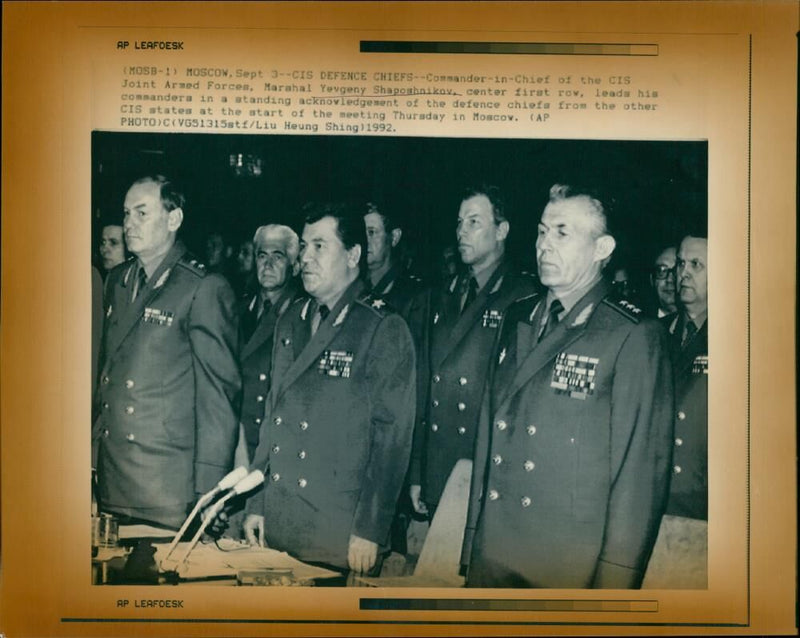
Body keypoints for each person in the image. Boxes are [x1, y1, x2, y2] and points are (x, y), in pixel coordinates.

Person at [463, 183, 674, 589]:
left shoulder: (631, 334)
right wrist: (473, 540)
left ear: (601, 249)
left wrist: (614, 586)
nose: (544, 244)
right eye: (542, 231)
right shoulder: (517, 317)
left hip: (565, 567)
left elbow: (638, 477)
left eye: (562, 232)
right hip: (494, 554)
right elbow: (488, 436)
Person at [243, 203, 416, 575]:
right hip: (280, 519)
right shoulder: (292, 318)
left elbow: (391, 442)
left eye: (319, 246)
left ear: (353, 255)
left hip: (336, 532)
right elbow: (272, 417)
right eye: (304, 246)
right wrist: (256, 502)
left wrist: (370, 529)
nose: (305, 257)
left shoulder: (380, 327)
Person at [93, 175, 241, 530]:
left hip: (165, 487)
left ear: (173, 220)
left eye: (142, 213)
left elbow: (218, 399)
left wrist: (209, 489)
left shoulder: (202, 287)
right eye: (126, 213)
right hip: (114, 476)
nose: (129, 224)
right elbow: (105, 377)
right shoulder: (119, 280)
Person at [408, 186, 535, 520]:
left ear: (501, 230)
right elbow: (424, 389)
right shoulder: (442, 294)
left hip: (485, 470)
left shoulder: (524, 298)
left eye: (474, 222)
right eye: (460, 221)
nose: (461, 230)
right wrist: (418, 471)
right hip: (439, 468)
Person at [642, 234, 708, 588]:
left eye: (696, 265)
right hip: (655, 499)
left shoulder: (739, 339)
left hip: (699, 506)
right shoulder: (658, 334)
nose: (683, 273)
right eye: (681, 263)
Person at [236, 224, 302, 465]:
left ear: (294, 266)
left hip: (272, 448)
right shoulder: (238, 309)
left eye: (278, 256)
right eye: (262, 256)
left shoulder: (301, 317)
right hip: (236, 443)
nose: (268, 264)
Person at [650, 245, 678, 317]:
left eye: (676, 271)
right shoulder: (640, 322)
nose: (669, 280)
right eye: (661, 271)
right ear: (652, 280)